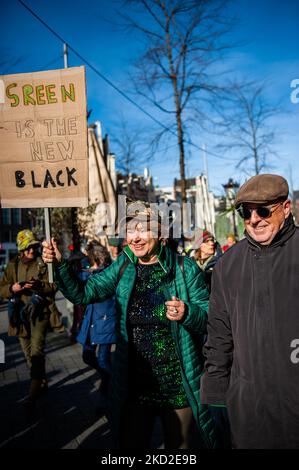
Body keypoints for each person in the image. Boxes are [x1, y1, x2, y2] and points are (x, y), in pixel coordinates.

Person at [42, 201, 218, 449]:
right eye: (130, 230)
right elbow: (84, 293)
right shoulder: (123, 266)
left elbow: (210, 316)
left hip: (178, 387)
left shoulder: (184, 268)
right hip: (134, 388)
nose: (135, 238)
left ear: (159, 233)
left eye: (142, 230)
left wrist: (187, 312)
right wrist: (59, 265)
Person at [200, 174, 299, 449]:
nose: (254, 219)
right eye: (246, 212)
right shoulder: (227, 265)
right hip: (249, 413)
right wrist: (215, 396)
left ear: (286, 208)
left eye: (264, 210)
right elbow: (219, 337)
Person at [0, 229, 62, 410]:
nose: (31, 251)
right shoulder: (12, 265)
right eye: (27, 248)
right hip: (19, 315)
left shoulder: (43, 263)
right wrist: (14, 287)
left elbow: (53, 286)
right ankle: (41, 381)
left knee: (36, 351)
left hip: (40, 314)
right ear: (21, 249)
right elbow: (2, 288)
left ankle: (31, 396)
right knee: (27, 354)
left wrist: (39, 286)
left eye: (33, 247)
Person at [76, 241, 116, 409]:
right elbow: (77, 288)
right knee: (87, 356)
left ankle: (105, 397)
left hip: (106, 321)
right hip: (91, 321)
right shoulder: (87, 272)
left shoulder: (108, 273)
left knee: (103, 360)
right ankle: (112, 379)